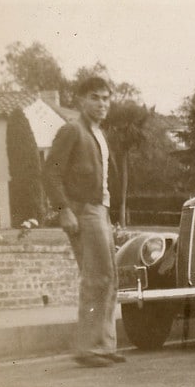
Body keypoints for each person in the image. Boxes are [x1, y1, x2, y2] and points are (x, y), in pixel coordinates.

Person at [44, 76, 124, 367]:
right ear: (80, 99)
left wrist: (110, 215)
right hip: (84, 211)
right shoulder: (72, 130)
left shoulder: (98, 134)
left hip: (100, 211)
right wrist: (64, 210)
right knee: (96, 277)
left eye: (106, 98)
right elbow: (50, 173)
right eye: (95, 97)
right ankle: (89, 348)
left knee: (110, 278)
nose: (102, 104)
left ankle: (103, 345)